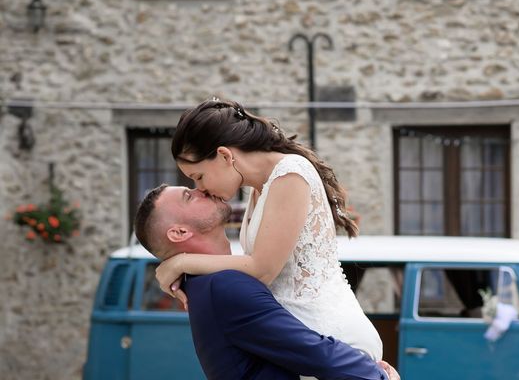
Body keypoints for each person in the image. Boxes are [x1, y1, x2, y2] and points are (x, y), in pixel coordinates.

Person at [155, 98, 383, 364]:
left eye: (199, 176)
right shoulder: (260, 187)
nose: (201, 188)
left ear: (225, 156)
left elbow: (262, 269)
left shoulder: (290, 175)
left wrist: (182, 261)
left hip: (332, 340)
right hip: (304, 342)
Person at [135, 184, 400, 380]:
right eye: (189, 196)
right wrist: (378, 376)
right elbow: (311, 349)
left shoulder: (209, 283)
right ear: (179, 232)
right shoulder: (224, 286)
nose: (202, 188)